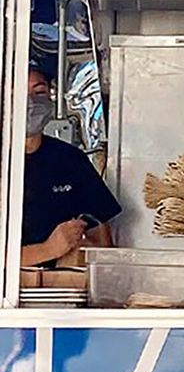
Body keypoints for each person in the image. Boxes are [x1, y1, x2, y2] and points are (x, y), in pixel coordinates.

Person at [21, 61, 119, 268]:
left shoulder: (69, 160)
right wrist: (48, 249)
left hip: (61, 291)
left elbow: (100, 233)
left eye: (39, 92)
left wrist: (88, 250)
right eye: (19, 92)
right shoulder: (6, 164)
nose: (30, 102)